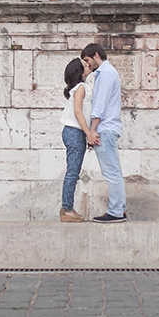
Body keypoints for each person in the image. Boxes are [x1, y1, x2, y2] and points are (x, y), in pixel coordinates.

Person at [80, 42, 126, 222]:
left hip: (104, 128)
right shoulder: (106, 73)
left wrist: (92, 131)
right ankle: (119, 209)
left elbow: (100, 106)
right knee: (113, 171)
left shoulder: (106, 73)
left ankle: (115, 211)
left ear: (96, 55)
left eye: (87, 60)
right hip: (107, 128)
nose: (87, 64)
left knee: (111, 172)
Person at [59, 57, 98, 222]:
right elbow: (78, 112)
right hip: (74, 132)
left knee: (73, 171)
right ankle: (66, 209)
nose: (88, 66)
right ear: (79, 71)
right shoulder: (81, 87)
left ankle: (67, 208)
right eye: (84, 65)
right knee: (73, 172)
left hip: (74, 132)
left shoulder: (81, 87)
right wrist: (88, 133)